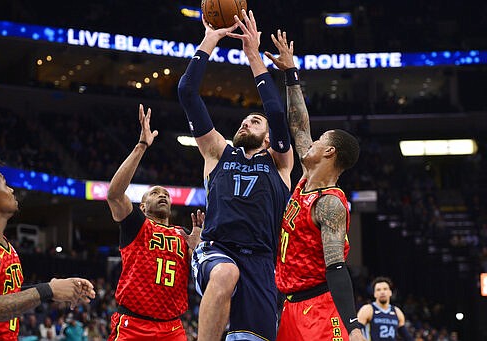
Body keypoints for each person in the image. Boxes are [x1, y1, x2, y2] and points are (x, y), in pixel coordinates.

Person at [177, 9, 294, 341]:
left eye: (254, 122)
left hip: (261, 261)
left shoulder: (280, 163)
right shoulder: (217, 152)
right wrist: (209, 39)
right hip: (217, 248)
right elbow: (187, 93)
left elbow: (275, 111)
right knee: (226, 273)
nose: (246, 122)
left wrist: (253, 55)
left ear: (269, 137)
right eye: (245, 120)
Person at [264, 30, 365, 341]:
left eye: (320, 141)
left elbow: (336, 268)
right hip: (290, 307)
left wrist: (354, 326)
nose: (311, 142)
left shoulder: (330, 203)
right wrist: (291, 74)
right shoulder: (308, 179)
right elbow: (299, 125)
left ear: (330, 152)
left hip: (321, 309)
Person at [106, 104, 203, 341]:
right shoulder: (137, 225)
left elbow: (201, 280)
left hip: (173, 328)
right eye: (155, 192)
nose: (162, 195)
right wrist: (141, 146)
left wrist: (197, 250)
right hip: (134, 325)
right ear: (142, 206)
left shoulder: (183, 234)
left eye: (166, 194)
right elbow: (114, 195)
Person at [0, 152, 96, 341]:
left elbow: (6, 294)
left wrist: (54, 288)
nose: (12, 190)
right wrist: (47, 290)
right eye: (5, 185)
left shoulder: (4, 243)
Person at [357, 276, 414, 341]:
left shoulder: (397, 312)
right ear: (374, 294)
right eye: (378, 290)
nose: (382, 292)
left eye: (385, 289)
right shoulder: (367, 309)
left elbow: (406, 336)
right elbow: (357, 331)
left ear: (390, 292)